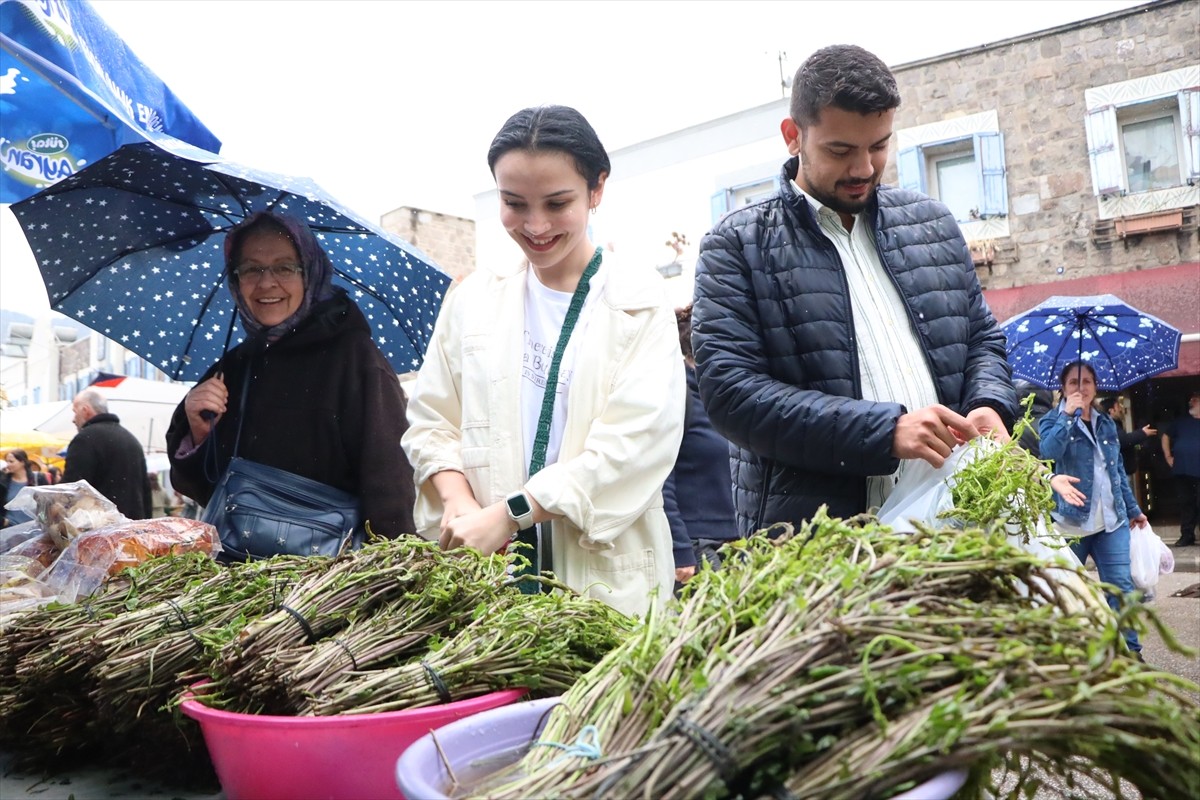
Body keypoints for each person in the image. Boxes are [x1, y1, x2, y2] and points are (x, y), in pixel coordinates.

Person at [691, 44, 1017, 536]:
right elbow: (732, 396)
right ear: (792, 136)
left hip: (960, 524)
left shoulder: (933, 223)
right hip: (820, 546)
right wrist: (884, 432)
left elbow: (982, 342)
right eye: (840, 150)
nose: (864, 168)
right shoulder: (735, 245)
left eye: (879, 145)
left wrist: (989, 403)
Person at [402, 105, 685, 618]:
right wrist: (459, 503)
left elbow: (631, 448)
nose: (535, 225)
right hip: (490, 581)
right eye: (514, 203)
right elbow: (431, 422)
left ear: (597, 189)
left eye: (557, 203)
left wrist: (510, 515)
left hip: (606, 583)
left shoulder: (637, 303)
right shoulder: (474, 299)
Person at [166, 210, 416, 541]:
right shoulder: (234, 368)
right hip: (241, 571)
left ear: (310, 272)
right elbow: (203, 489)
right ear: (235, 280)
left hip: (329, 576)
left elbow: (391, 488)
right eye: (252, 269)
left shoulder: (356, 360)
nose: (267, 283)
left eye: (284, 267)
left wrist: (388, 577)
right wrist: (200, 433)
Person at [1039, 362, 1147, 658]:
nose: (1080, 387)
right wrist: (1066, 417)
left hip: (1110, 522)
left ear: (1095, 387)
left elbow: (1117, 470)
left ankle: (1131, 652)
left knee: (1120, 587)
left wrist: (1134, 508)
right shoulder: (1051, 419)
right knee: (1066, 589)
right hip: (1069, 524)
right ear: (1062, 388)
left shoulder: (1106, 422)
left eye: (1087, 381)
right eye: (1073, 382)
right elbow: (1049, 453)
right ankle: (1070, 653)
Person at [662, 304, 738, 589]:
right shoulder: (678, 394)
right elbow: (660, 478)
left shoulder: (723, 397)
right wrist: (680, 550)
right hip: (698, 550)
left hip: (737, 542)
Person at [63, 390, 151, 519]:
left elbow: (72, 489)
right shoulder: (131, 439)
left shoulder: (85, 439)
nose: (73, 419)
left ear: (85, 410)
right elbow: (145, 491)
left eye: (74, 412)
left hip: (102, 527)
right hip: (132, 528)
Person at [1162, 390, 1200, 548]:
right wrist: (1168, 455)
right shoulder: (1181, 421)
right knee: (1186, 503)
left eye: (1195, 400)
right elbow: (1165, 436)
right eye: (1191, 399)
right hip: (1182, 469)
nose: (1191, 402)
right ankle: (1187, 535)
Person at [1099, 396, 1157, 477]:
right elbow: (1123, 440)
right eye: (1118, 406)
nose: (1121, 409)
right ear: (1111, 411)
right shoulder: (1109, 426)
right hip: (1119, 474)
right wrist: (1142, 433)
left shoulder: (1112, 424)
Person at [2, 449, 49, 528]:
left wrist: (43, 523)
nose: (8, 464)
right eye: (7, 461)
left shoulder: (38, 478)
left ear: (22, 462)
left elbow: (47, 503)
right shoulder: (3, 481)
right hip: (10, 528)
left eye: (11, 461)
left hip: (35, 529)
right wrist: (3, 521)